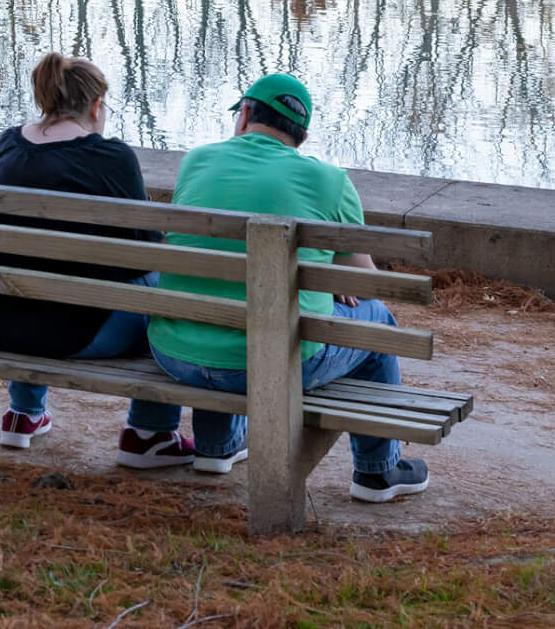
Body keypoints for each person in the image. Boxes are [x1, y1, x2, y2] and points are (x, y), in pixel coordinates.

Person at [147, 74, 431, 504]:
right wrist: (327, 281)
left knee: (220, 303)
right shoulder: (329, 181)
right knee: (378, 326)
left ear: (244, 115)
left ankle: (216, 446)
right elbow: (367, 285)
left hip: (176, 354)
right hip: (271, 363)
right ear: (300, 136)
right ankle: (378, 470)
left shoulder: (196, 162)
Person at [0, 53, 196, 469]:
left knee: (29, 276)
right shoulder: (112, 158)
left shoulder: (9, 142)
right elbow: (146, 252)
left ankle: (23, 413)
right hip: (71, 332)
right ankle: (149, 434)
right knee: (161, 289)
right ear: (96, 106)